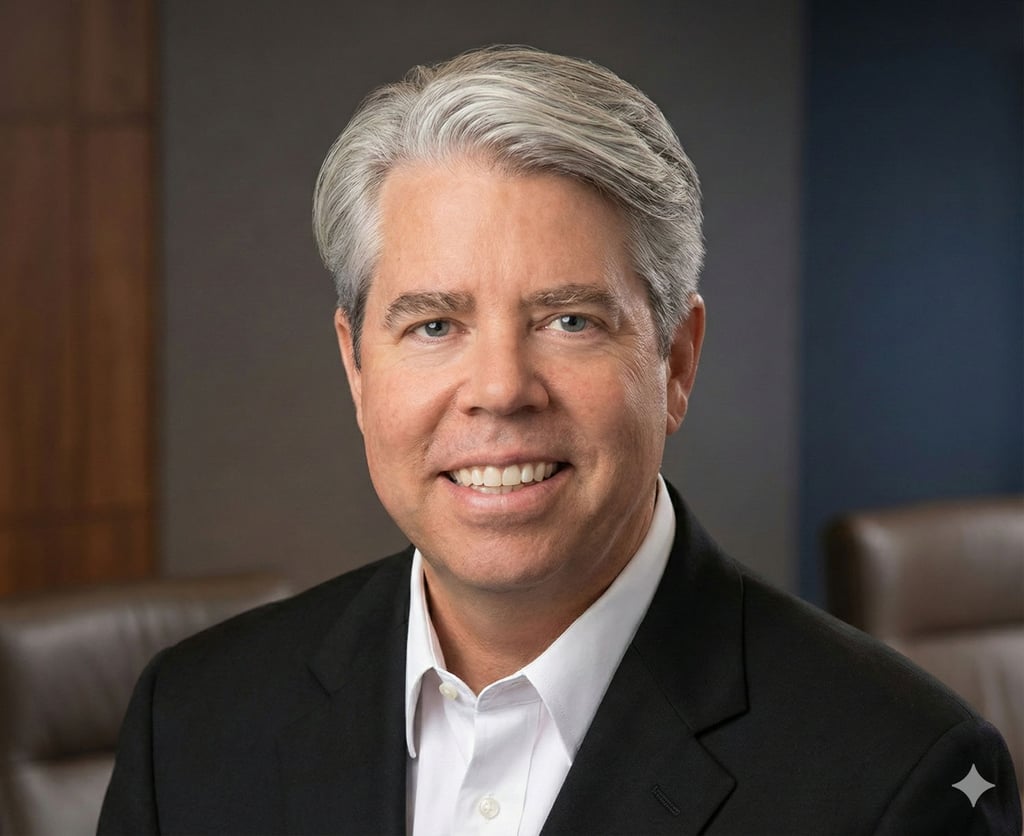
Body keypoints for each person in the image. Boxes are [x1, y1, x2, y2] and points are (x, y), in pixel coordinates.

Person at [99, 46, 1021, 835]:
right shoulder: (190, 721)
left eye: (570, 320)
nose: (500, 390)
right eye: (433, 326)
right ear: (356, 367)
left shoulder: (903, 775)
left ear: (676, 361)